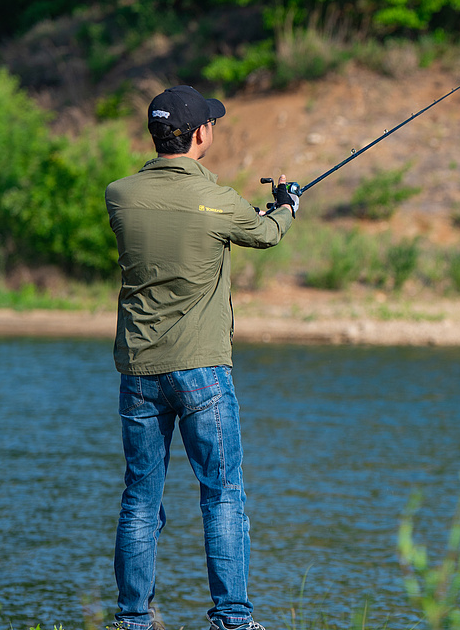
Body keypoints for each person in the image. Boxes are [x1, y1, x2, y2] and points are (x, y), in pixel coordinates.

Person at [105, 85, 299, 630]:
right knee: (222, 494)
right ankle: (233, 619)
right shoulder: (217, 198)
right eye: (209, 123)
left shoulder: (119, 195)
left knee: (141, 499)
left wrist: (243, 212)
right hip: (202, 371)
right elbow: (263, 233)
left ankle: (131, 620)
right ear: (198, 134)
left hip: (139, 373)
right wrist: (288, 204)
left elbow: (185, 223)